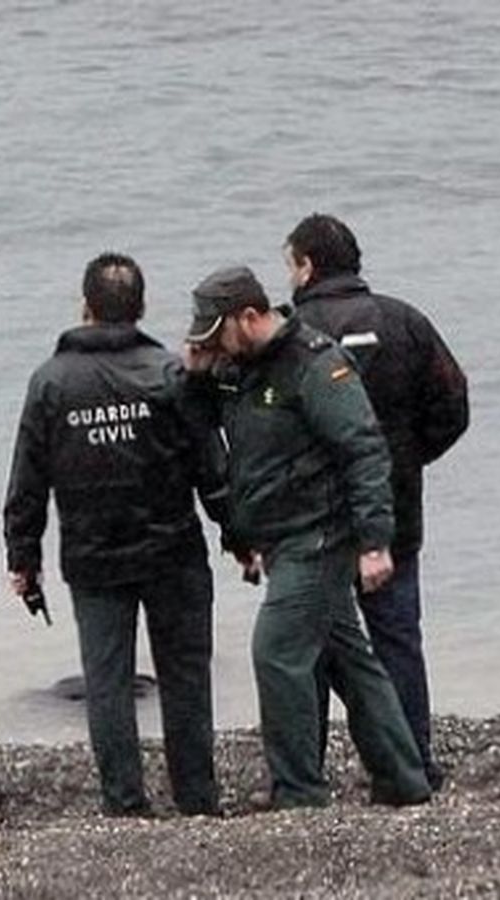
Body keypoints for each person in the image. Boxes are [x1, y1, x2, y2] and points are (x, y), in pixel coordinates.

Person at [184, 265, 431, 809]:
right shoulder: (239, 369)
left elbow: (365, 451)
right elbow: (201, 423)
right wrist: (195, 375)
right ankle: (404, 778)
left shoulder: (316, 364)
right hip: (278, 537)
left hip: (318, 537)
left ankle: (298, 791)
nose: (213, 347)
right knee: (349, 662)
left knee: (276, 652)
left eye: (217, 335)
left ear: (249, 316)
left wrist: (374, 542)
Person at [4, 252, 228, 817]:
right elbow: (211, 464)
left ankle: (125, 802)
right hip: (173, 551)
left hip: (93, 557)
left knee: (107, 681)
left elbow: (28, 479)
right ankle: (197, 798)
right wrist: (240, 532)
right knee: (185, 675)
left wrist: (23, 556)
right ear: (141, 307)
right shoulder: (169, 374)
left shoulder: (51, 382)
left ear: (85, 307)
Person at [284, 214, 469, 787]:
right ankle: (412, 759)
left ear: (307, 267)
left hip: (310, 518)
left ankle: (306, 771)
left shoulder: (291, 333)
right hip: (393, 511)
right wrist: (406, 459)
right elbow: (453, 405)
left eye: (290, 264)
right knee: (397, 639)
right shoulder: (404, 321)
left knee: (308, 645)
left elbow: (265, 430)